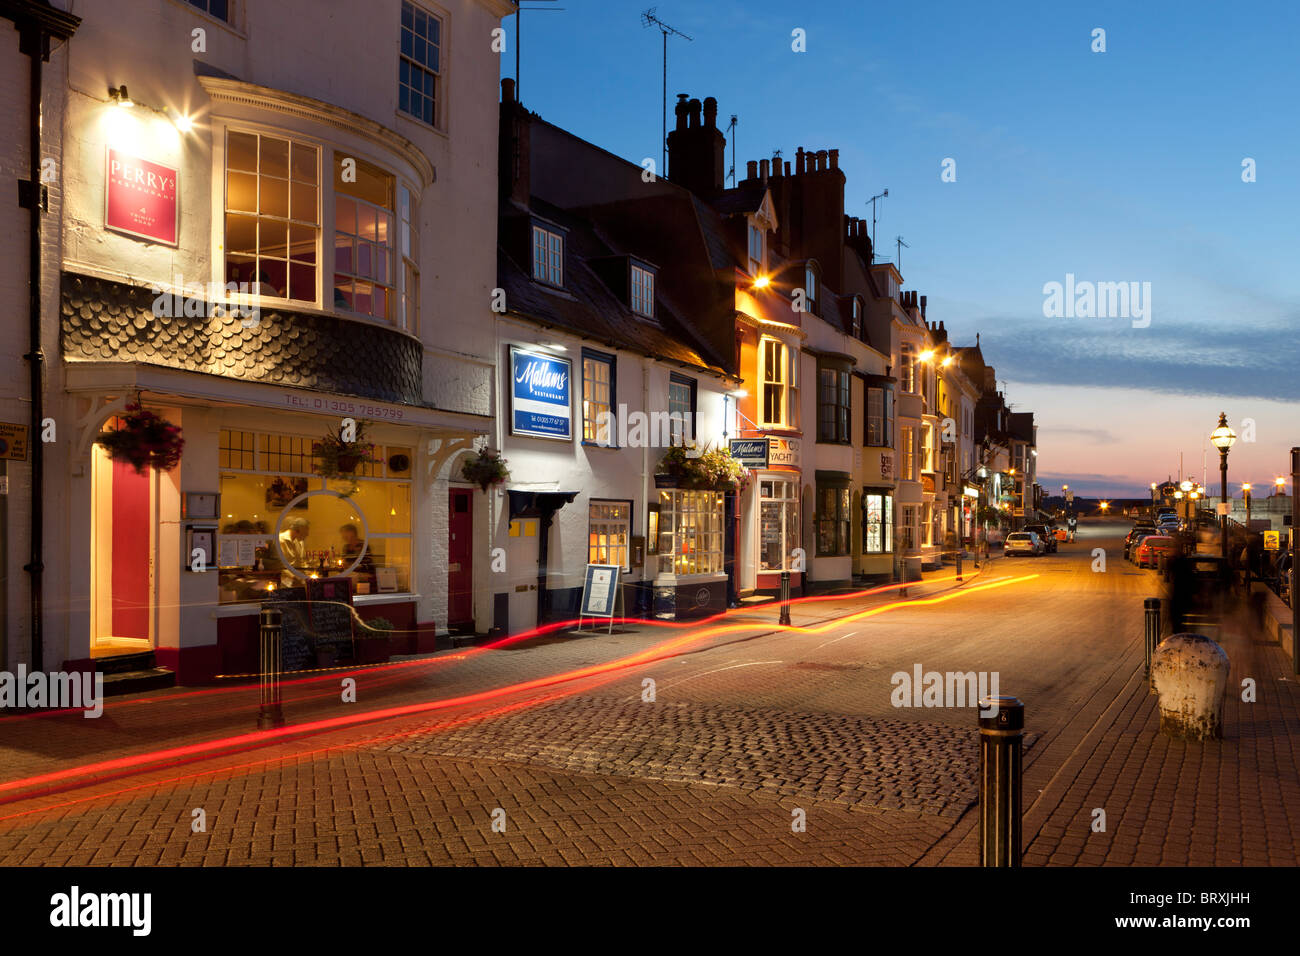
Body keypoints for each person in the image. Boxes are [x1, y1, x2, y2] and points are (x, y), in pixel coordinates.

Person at [278, 516, 310, 586]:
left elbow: (301, 562)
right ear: (297, 531)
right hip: (285, 583)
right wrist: (294, 577)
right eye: (305, 532)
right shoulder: (280, 540)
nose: (307, 534)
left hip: (298, 581)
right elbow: (280, 565)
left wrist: (308, 575)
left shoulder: (299, 541)